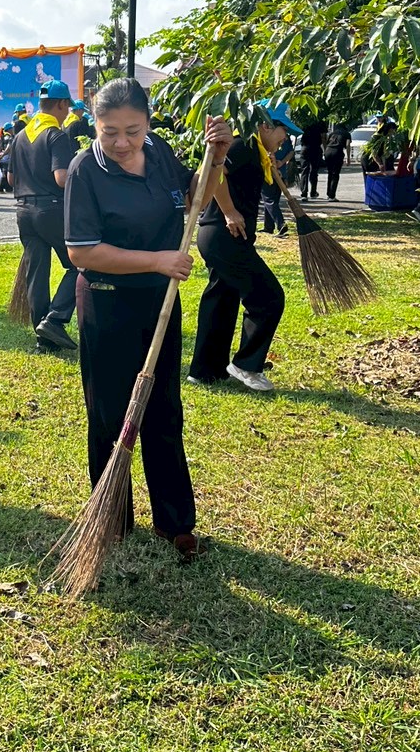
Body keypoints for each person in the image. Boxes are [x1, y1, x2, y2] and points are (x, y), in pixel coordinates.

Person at [63, 78, 232, 558]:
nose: (121, 142)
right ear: (94, 123)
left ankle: (174, 520)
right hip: (107, 300)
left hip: (159, 303)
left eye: (132, 130)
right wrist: (157, 260)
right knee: (109, 412)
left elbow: (197, 196)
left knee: (163, 409)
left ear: (149, 122)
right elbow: (81, 253)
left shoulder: (156, 152)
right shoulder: (84, 171)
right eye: (108, 130)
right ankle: (112, 515)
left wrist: (216, 157)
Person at [188, 113, 286, 393]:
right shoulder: (242, 145)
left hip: (222, 236)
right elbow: (214, 173)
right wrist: (229, 211)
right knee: (268, 297)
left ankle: (206, 370)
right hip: (223, 234)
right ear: (266, 126)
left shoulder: (257, 151)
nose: (285, 138)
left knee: (222, 299)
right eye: (283, 131)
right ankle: (247, 364)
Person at [11, 80, 79, 352]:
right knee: (81, 264)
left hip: (23, 212)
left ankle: (43, 337)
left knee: (37, 273)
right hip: (50, 209)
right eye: (67, 108)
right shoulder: (56, 135)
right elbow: (62, 178)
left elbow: (10, 177)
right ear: (61, 104)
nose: (67, 114)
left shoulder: (20, 136)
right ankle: (55, 319)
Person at [258, 116, 294, 236]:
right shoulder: (265, 138)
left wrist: (280, 163)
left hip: (273, 172)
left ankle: (281, 224)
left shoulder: (282, 138)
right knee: (271, 200)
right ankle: (268, 226)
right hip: (275, 172)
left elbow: (291, 152)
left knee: (269, 200)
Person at [299, 116, 327, 199]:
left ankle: (304, 193)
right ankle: (313, 192)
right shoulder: (320, 122)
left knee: (304, 170)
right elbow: (323, 137)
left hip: (305, 147)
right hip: (315, 148)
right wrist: (325, 150)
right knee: (314, 171)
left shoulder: (305, 120)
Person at [323, 119, 351, 199]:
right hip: (337, 152)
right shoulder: (347, 134)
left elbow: (326, 142)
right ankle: (332, 196)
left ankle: (328, 193)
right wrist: (348, 157)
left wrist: (325, 152)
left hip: (328, 151)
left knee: (330, 173)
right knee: (335, 174)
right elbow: (348, 145)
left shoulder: (332, 133)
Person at [0, 120, 15, 193]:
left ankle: (8, 188)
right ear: (9, 129)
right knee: (5, 174)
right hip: (6, 159)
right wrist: (3, 154)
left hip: (1, 159)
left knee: (5, 172)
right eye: (12, 128)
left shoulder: (1, 137)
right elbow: (9, 147)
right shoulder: (9, 137)